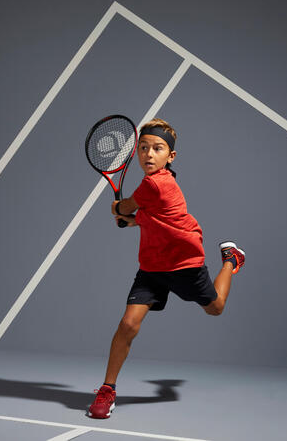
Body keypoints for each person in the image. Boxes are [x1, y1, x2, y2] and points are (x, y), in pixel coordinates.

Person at [87, 118, 245, 419]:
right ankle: (107, 389)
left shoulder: (155, 183)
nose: (149, 154)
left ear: (170, 156)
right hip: (152, 266)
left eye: (157, 149)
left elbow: (128, 206)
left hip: (184, 264)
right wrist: (135, 221)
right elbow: (153, 216)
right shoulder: (156, 183)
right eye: (143, 148)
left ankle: (231, 260)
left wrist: (119, 210)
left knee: (216, 308)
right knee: (128, 324)